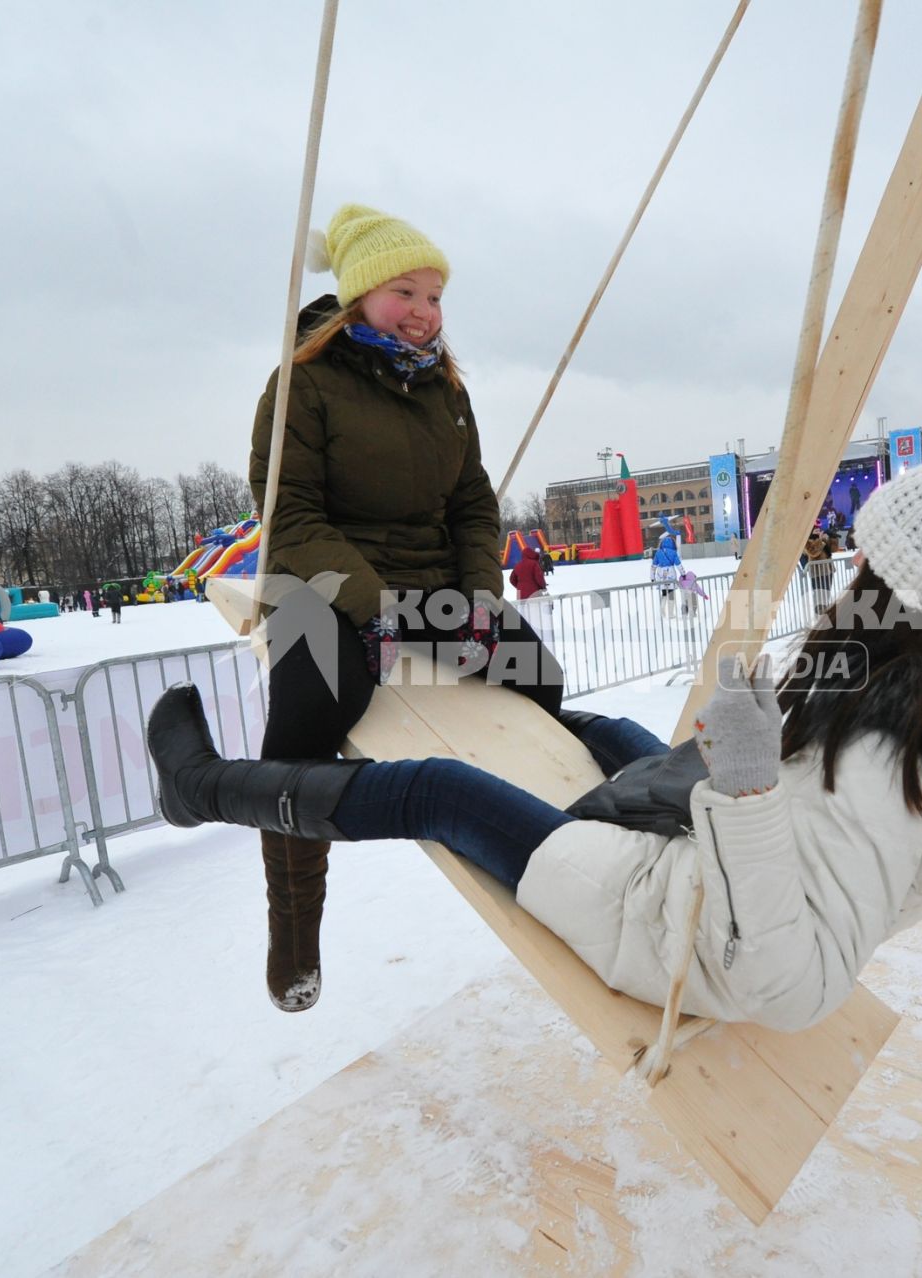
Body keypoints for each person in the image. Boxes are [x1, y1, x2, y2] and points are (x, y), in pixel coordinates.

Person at [148, 421, 922, 1031]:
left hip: (688, 934)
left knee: (437, 789)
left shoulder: (901, 747)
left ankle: (200, 789)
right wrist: (750, 771)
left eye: (871, 565)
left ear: (916, 595)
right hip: (722, 870)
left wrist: (754, 788)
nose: (854, 577)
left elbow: (790, 982)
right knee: (612, 735)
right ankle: (585, 753)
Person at [242, 202, 577, 1012]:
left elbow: (472, 504)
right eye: (406, 293)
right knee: (312, 714)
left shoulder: (445, 391)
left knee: (537, 677)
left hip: (432, 588)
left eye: (435, 296)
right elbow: (289, 514)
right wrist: (372, 608)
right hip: (323, 581)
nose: (425, 313)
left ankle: (549, 853)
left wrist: (476, 598)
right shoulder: (303, 386)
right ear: (360, 294)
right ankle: (294, 924)